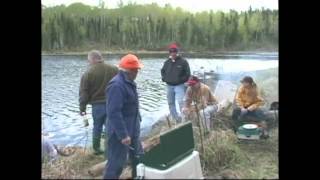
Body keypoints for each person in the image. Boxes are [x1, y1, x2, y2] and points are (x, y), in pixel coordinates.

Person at [103, 54, 144, 179]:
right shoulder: (116, 85)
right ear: (130, 71)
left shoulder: (129, 82)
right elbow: (113, 112)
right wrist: (123, 135)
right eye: (137, 70)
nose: (138, 72)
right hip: (120, 133)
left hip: (133, 129)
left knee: (138, 158)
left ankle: (138, 177)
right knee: (116, 164)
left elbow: (132, 106)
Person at [79, 50, 118, 155]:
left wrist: (82, 108)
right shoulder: (114, 69)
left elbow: (84, 93)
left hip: (97, 106)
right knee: (111, 126)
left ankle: (97, 149)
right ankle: (111, 148)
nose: (88, 63)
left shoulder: (88, 73)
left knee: (97, 126)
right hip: (112, 104)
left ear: (93, 59)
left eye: (89, 60)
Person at [161, 43, 190, 123]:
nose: (173, 53)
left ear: (177, 52)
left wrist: (180, 80)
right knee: (170, 103)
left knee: (181, 102)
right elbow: (162, 71)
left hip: (179, 86)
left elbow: (187, 74)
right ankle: (176, 119)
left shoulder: (183, 62)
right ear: (169, 52)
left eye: (174, 51)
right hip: (169, 86)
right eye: (171, 51)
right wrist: (164, 79)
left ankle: (184, 120)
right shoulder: (167, 62)